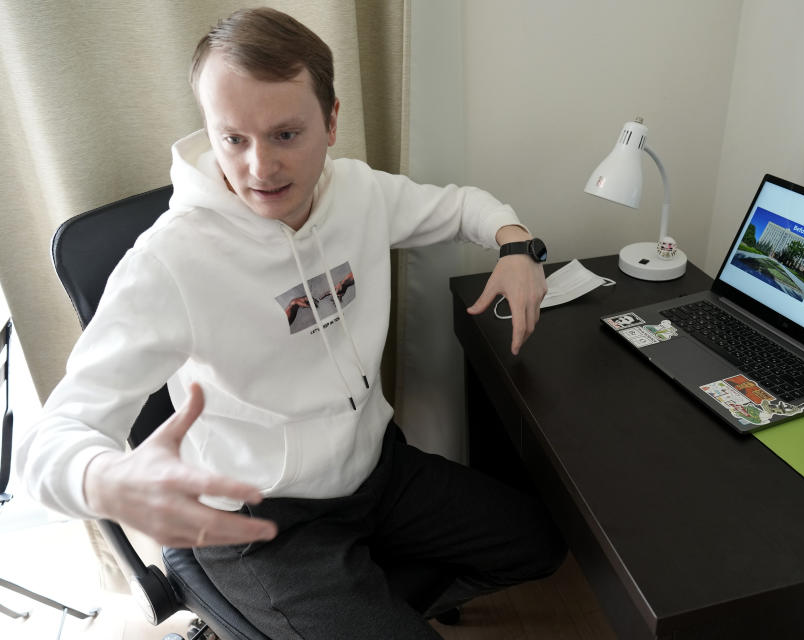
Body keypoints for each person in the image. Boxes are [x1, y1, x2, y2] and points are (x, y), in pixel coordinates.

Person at [16, 7, 565, 639]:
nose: (259, 169)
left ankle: (365, 607)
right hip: (261, 526)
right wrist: (106, 476)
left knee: (541, 544)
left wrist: (517, 245)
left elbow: (461, 206)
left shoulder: (358, 194)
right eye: (233, 139)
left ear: (331, 122)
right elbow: (48, 440)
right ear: (209, 130)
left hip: (375, 470)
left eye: (285, 135)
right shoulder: (171, 262)